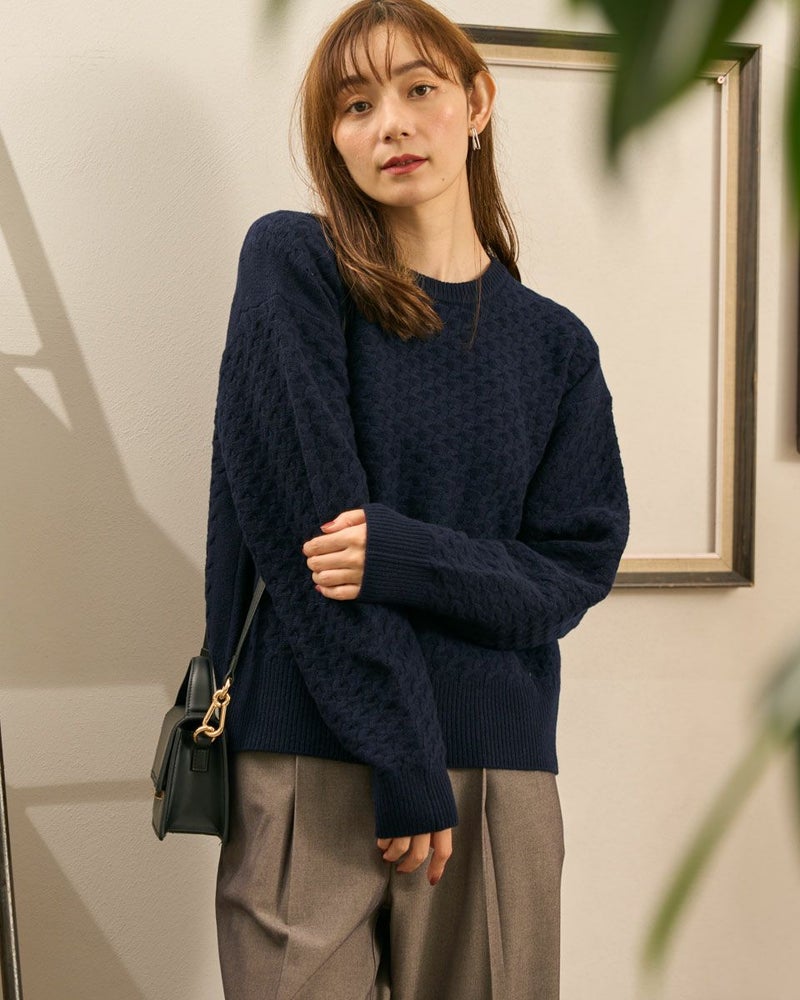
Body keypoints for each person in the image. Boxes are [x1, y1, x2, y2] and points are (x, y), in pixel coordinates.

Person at [204, 0, 629, 997]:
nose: (389, 123)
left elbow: (572, 569)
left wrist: (406, 554)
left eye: (419, 89)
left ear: (476, 103)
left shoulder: (554, 346)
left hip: (494, 775)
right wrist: (402, 756)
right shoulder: (293, 264)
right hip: (311, 755)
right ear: (333, 140)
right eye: (355, 105)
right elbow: (309, 537)